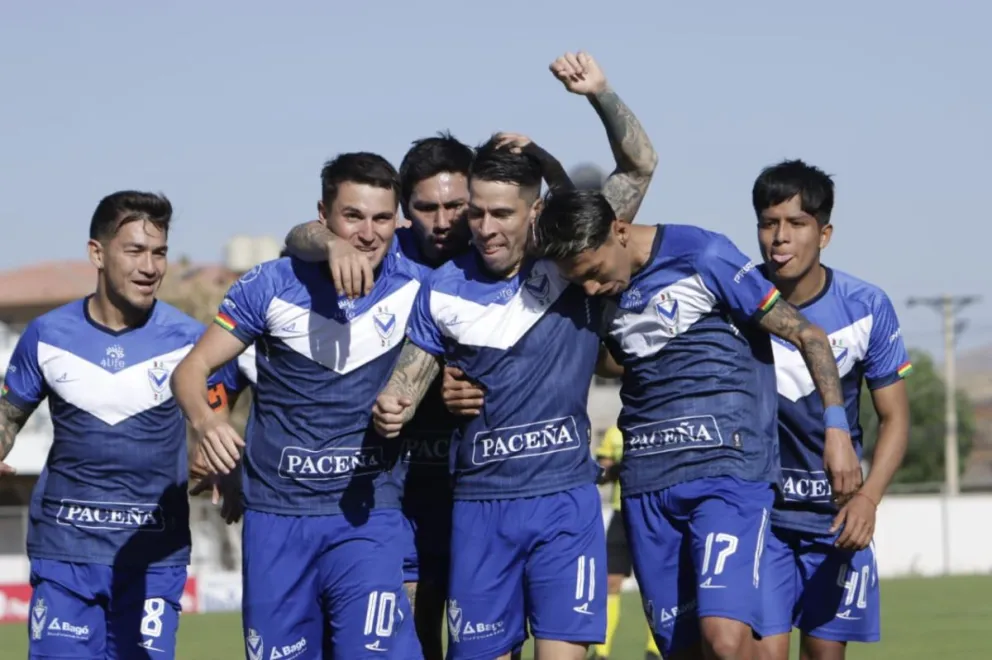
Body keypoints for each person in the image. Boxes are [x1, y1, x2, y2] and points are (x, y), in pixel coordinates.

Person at [371, 50, 658, 660]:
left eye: (501, 213)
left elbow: (640, 165)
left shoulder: (566, 255)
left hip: (563, 502)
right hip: (477, 509)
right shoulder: (441, 288)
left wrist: (599, 95)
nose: (484, 226)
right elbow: (402, 389)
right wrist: (392, 407)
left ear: (535, 211)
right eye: (475, 212)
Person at [526, 170, 864, 657]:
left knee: (724, 641)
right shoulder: (597, 290)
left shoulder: (702, 254)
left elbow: (808, 335)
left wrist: (837, 430)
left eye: (597, 271)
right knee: (682, 650)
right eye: (582, 280)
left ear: (619, 231)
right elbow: (613, 357)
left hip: (727, 475)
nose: (594, 287)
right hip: (647, 486)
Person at [171, 152, 423, 659]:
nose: (368, 233)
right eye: (352, 216)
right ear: (323, 215)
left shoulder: (420, 285)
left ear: (397, 220)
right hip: (277, 520)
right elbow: (190, 373)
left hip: (368, 516)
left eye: (381, 219)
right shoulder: (269, 285)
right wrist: (208, 424)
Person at [0, 191, 242, 659]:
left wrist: (223, 465)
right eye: (134, 251)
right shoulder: (46, 335)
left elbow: (217, 413)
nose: (150, 266)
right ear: (97, 252)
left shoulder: (191, 342)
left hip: (154, 556)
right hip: (65, 553)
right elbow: (8, 416)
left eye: (159, 252)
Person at [282, 132, 474, 660]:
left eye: (457, 206)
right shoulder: (388, 252)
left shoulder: (496, 256)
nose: (443, 221)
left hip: (475, 490)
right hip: (395, 488)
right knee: (401, 636)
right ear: (405, 212)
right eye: (427, 207)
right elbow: (296, 237)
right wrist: (331, 241)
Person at [750, 160, 911, 660]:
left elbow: (896, 418)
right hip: (762, 517)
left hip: (834, 519)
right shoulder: (737, 301)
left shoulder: (866, 305)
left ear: (825, 233)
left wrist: (867, 500)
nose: (780, 238)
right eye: (768, 222)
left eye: (796, 224)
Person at [593, 426, 661, 660]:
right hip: (621, 513)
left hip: (653, 512)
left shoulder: (659, 426)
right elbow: (600, 474)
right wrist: (618, 468)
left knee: (654, 585)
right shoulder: (614, 432)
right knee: (610, 582)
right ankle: (601, 653)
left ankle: (654, 650)